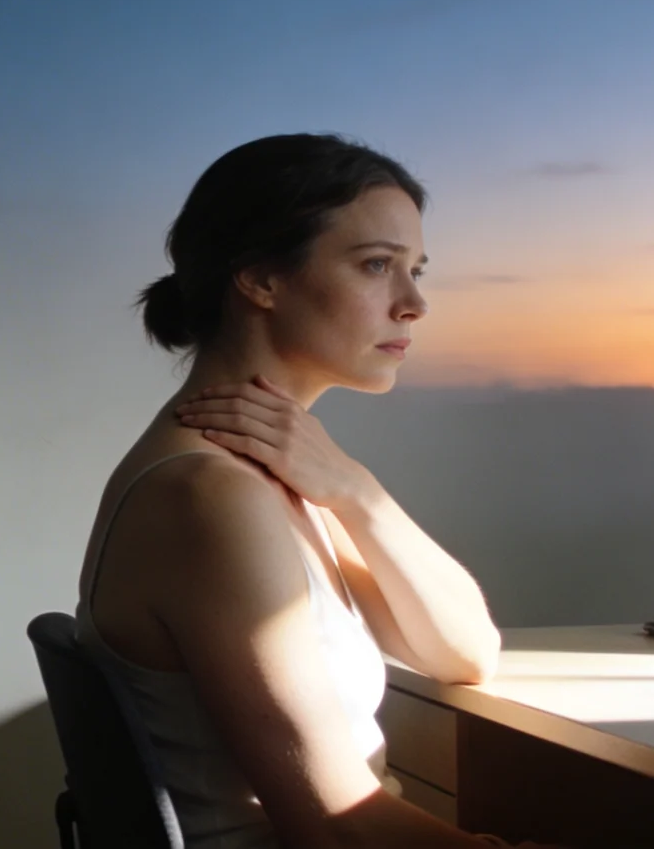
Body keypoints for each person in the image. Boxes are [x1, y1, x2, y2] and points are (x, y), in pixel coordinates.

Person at [76, 134, 559, 848]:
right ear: (262, 280)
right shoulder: (209, 496)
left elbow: (466, 653)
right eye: (376, 266)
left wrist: (358, 492)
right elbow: (333, 830)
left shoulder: (276, 470)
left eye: (416, 270)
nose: (414, 304)